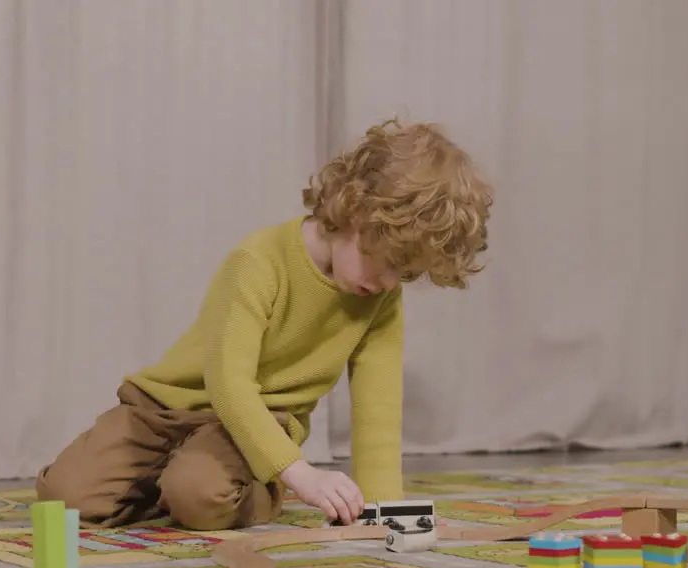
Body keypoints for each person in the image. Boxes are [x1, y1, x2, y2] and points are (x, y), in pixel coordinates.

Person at [36, 119, 492, 530]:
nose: (390, 282)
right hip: (163, 407)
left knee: (199, 496)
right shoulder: (257, 260)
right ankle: (190, 478)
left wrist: (383, 512)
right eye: (389, 261)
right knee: (63, 499)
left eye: (405, 273)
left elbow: (378, 413)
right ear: (356, 212)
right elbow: (228, 385)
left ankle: (228, 483)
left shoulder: (380, 298)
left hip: (260, 424)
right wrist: (302, 475)